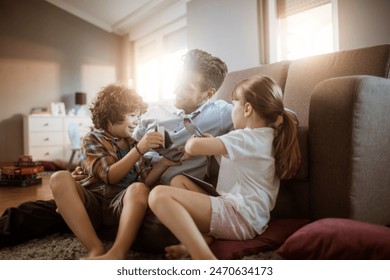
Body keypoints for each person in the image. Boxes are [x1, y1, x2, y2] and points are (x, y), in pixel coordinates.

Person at [0, 48, 233, 252]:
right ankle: (87, 225)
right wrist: (89, 171)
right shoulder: (153, 112)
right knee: (28, 214)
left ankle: (103, 231)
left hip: (151, 197)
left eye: (186, 86)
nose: (175, 89)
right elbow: (122, 141)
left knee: (155, 230)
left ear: (208, 93)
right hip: (109, 188)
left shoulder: (223, 114)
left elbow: (258, 122)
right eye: (177, 80)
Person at [148, 75, 301, 259]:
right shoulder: (266, 136)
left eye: (233, 104)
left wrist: (195, 143)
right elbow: (238, 160)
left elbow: (193, 147)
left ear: (247, 109)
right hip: (248, 217)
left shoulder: (245, 137)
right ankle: (204, 238)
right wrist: (214, 145)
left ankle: (204, 257)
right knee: (178, 181)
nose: (231, 111)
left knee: (158, 195)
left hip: (239, 217)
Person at [50, 83, 174, 259]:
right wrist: (139, 149)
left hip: (121, 205)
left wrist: (164, 163)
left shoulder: (133, 143)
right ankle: (95, 248)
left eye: (138, 116)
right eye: (132, 115)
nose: (137, 121)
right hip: (92, 202)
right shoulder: (93, 139)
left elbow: (144, 182)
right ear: (112, 115)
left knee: (139, 188)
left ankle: (118, 252)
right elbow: (109, 176)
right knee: (59, 177)